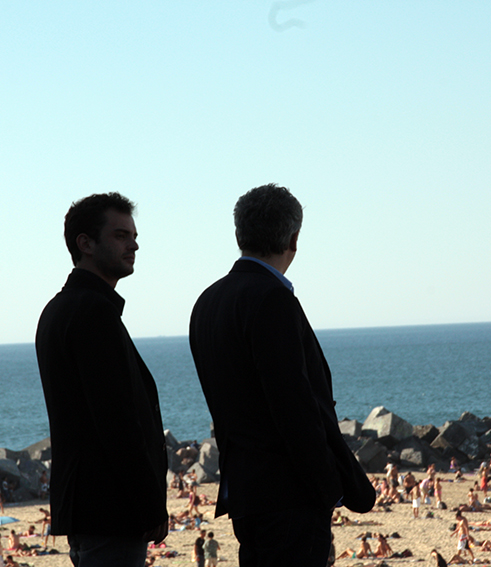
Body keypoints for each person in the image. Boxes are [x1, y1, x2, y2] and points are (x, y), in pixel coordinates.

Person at [189, 184, 375, 567]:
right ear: (294, 239)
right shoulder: (272, 299)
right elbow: (294, 405)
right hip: (289, 496)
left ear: (239, 234)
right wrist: (329, 488)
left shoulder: (207, 302)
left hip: (245, 492)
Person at [36, 192, 169, 566]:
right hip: (110, 512)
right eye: (121, 235)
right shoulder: (92, 312)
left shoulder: (60, 309)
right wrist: (150, 506)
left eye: (134, 236)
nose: (134, 245)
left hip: (90, 510)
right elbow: (115, 420)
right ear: (86, 243)